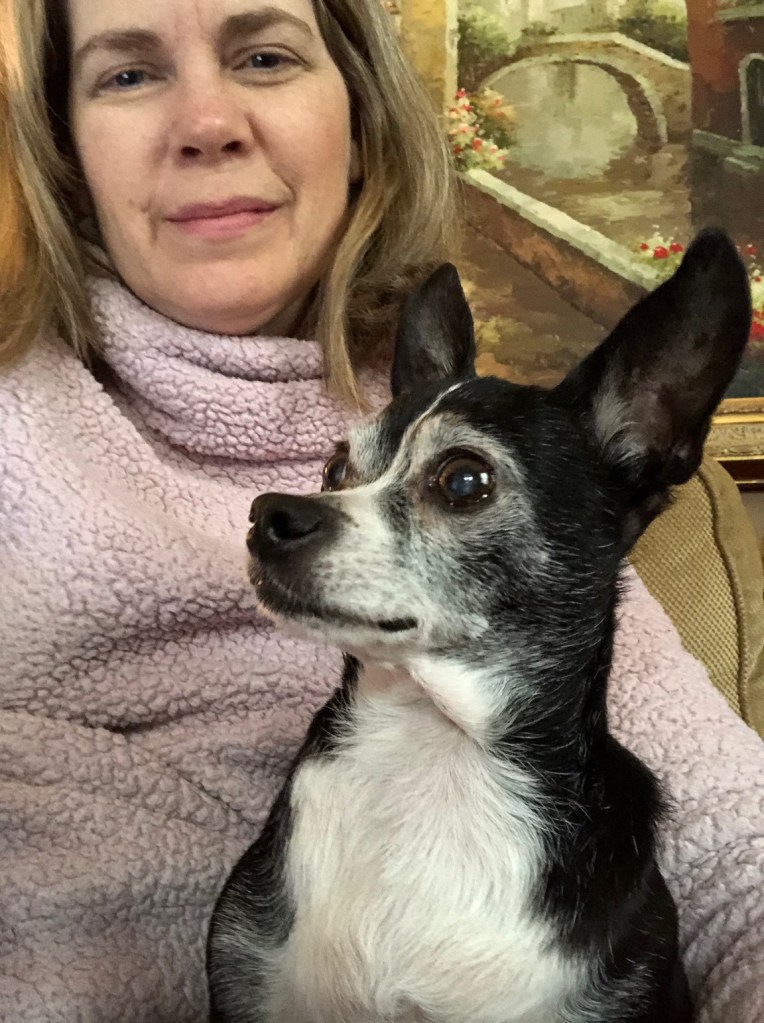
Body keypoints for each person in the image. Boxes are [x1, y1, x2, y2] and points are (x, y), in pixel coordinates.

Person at [0, 0, 762, 1021]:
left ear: (360, 117)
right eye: (127, 74)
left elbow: (738, 854)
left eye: (263, 57)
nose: (206, 122)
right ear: (65, 150)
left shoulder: (562, 496)